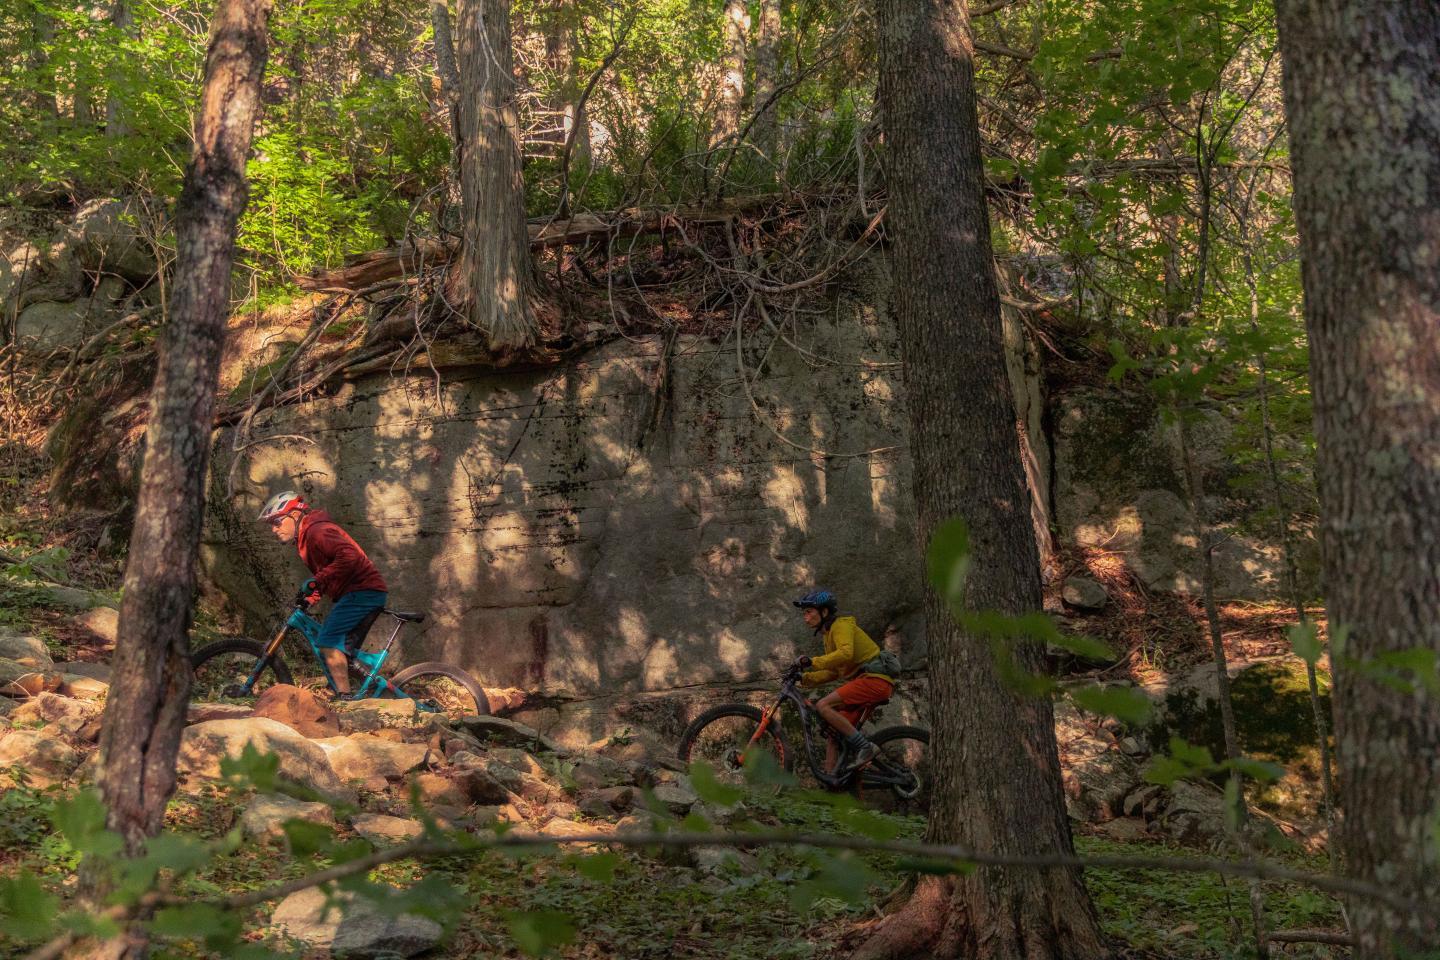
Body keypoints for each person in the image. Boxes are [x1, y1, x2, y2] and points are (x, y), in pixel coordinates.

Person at [257, 491, 387, 699]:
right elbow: (328, 574)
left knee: (327, 641)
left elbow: (349, 557)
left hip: (363, 592)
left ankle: (345, 699)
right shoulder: (307, 537)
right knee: (341, 650)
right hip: (360, 593)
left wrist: (316, 580)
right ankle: (349, 689)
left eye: (277, 522)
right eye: (271, 524)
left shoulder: (318, 531)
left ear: (295, 515)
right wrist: (310, 597)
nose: (274, 529)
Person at [791, 590, 901, 776]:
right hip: (865, 682)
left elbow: (846, 653)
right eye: (804, 613)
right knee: (834, 735)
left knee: (823, 705)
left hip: (874, 680)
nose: (805, 617)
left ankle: (865, 748)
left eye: (809, 611)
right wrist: (805, 678)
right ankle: (830, 784)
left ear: (824, 612)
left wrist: (813, 661)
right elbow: (835, 671)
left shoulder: (841, 625)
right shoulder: (828, 635)